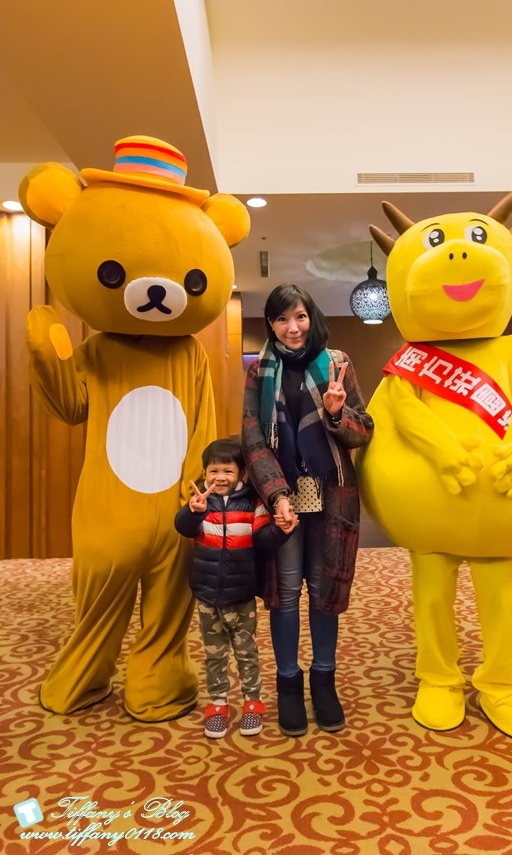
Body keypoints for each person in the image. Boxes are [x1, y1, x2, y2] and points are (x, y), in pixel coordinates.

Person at [242, 284, 374, 736]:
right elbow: (252, 437)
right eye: (281, 319)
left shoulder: (336, 363)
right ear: (271, 324)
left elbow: (363, 431)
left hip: (331, 492)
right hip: (281, 498)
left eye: (299, 316)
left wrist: (337, 414)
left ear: (310, 316)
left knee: (323, 590)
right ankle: (288, 685)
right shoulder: (260, 370)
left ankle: (324, 681)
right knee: (285, 592)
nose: (292, 327)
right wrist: (276, 494)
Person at [175, 438, 298, 738]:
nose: (220, 477)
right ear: (204, 473)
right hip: (207, 595)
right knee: (214, 655)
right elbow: (183, 527)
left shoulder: (252, 502)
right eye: (213, 471)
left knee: (246, 653)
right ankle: (218, 704)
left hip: (241, 594)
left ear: (241, 473)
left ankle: (253, 703)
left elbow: (263, 540)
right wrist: (193, 512)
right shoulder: (200, 503)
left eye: (228, 471)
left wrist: (281, 531)